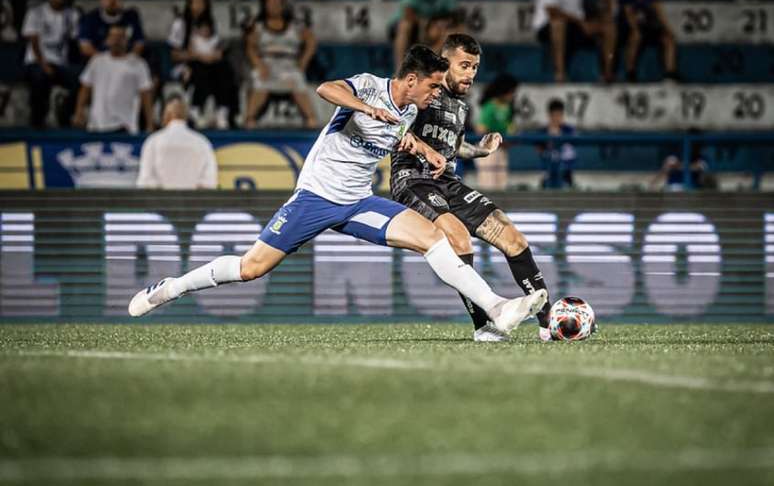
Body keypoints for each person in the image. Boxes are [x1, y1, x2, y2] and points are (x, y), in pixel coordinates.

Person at [128, 45, 547, 336]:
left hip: (358, 202)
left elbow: (402, 137)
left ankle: (496, 308)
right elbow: (325, 89)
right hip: (315, 197)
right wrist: (366, 108)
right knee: (250, 268)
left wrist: (426, 151)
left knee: (433, 238)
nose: (437, 93)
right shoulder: (369, 87)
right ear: (412, 78)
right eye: (433, 86)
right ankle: (172, 287)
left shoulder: (409, 111)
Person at [390, 34, 553, 343]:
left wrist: (479, 151)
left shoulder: (461, 107)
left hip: (448, 181)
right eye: (464, 65)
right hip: (412, 178)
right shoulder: (422, 92)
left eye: (475, 67)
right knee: (458, 238)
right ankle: (484, 326)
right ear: (444, 62)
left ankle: (549, 323)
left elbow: (452, 146)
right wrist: (423, 150)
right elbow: (393, 125)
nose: (470, 74)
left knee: (513, 237)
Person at [243, 0, 318, 129]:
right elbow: (250, 48)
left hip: (289, 64)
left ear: (283, 5)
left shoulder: (295, 26)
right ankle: (250, 119)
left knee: (296, 79)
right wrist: (259, 65)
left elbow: (311, 41)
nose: (274, 5)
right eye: (270, 2)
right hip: (266, 64)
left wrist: (303, 62)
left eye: (277, 2)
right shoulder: (258, 26)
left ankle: (310, 119)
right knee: (260, 81)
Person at [532, 0, 616, 83]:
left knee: (609, 27)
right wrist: (583, 23)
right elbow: (553, 12)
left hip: (576, 24)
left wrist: (608, 11)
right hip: (547, 27)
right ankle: (560, 74)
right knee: (558, 24)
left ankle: (608, 73)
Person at [168, 0, 236, 129]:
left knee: (225, 68)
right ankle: (195, 110)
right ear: (189, 4)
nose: (198, 6)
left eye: (201, 2)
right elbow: (174, 55)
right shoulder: (180, 24)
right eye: (195, 2)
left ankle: (222, 111)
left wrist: (216, 54)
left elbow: (217, 47)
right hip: (187, 65)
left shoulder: (211, 23)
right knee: (201, 69)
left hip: (210, 62)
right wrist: (198, 56)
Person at [72, 24, 154, 134]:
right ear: (107, 40)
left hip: (124, 125)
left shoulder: (138, 64)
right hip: (97, 125)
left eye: (120, 37)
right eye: (113, 37)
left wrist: (150, 123)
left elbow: (146, 95)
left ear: (126, 40)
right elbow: (85, 88)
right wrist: (79, 111)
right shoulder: (97, 61)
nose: (116, 40)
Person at [21, 0, 79, 128]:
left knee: (82, 77)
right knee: (39, 78)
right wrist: (43, 63)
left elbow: (75, 40)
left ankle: (65, 112)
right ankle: (38, 121)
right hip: (36, 62)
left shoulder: (72, 14)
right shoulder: (36, 12)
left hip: (60, 63)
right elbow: (34, 40)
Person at [391, 0, 460, 70]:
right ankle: (400, 69)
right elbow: (408, 12)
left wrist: (439, 24)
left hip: (434, 24)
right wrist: (426, 24)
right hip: (413, 24)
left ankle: (425, 63)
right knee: (404, 25)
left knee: (453, 32)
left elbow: (453, 14)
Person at [137, 97, 218, 189]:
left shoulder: (153, 141)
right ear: (185, 117)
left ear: (165, 116)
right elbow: (209, 181)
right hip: (192, 201)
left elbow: (145, 180)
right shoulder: (202, 142)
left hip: (161, 201)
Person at [619, 0, 678, 82]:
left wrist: (668, 29)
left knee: (668, 38)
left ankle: (670, 73)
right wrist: (635, 30)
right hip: (627, 27)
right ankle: (630, 72)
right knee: (636, 37)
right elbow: (628, 14)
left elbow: (659, 12)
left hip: (647, 26)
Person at [78, 0, 145, 59]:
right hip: (100, 63)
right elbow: (86, 48)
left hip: (127, 63)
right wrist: (108, 62)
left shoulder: (131, 16)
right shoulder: (90, 19)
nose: (113, 0)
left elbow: (139, 44)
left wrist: (128, 60)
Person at [474, 73, 519, 191]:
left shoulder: (508, 107)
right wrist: (496, 140)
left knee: (501, 186)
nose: (512, 95)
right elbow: (481, 129)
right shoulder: (490, 106)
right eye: (511, 92)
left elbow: (510, 127)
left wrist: (511, 138)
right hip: (487, 151)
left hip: (502, 150)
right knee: (488, 187)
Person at [536, 98, 577, 189]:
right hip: (548, 170)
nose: (557, 118)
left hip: (565, 170)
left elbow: (572, 148)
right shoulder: (543, 132)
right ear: (549, 115)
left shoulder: (568, 130)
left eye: (559, 115)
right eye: (554, 115)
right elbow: (539, 149)